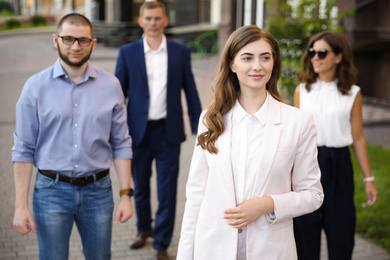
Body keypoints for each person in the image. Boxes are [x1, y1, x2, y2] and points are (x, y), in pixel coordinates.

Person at [176, 25, 324, 260]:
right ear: (232, 64)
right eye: (247, 58)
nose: (257, 66)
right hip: (213, 248)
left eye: (265, 57)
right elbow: (195, 196)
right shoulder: (209, 119)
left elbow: (313, 195)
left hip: (271, 250)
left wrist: (267, 204)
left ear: (274, 62)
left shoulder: (298, 121)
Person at [12, 13, 134, 260]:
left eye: (83, 40)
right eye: (68, 39)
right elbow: (23, 149)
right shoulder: (34, 87)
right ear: (55, 40)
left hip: (99, 191)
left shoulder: (111, 86)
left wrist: (125, 195)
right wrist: (20, 206)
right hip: (50, 192)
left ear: (93, 43)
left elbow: (121, 144)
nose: (76, 46)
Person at [114, 1, 202, 259]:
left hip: (169, 132)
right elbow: (118, 95)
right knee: (140, 187)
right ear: (140, 21)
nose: (153, 22)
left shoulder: (180, 52)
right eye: (148, 18)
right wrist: (114, 130)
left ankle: (161, 242)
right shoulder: (127, 52)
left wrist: (201, 130)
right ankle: (143, 230)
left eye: (157, 18)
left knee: (167, 191)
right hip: (137, 132)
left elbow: (191, 91)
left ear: (165, 20)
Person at [293, 31, 378, 260]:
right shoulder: (302, 91)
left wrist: (368, 179)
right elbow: (296, 136)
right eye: (312, 52)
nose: (315, 57)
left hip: (339, 164)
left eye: (322, 52)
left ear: (338, 57)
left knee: (341, 232)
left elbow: (358, 137)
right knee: (304, 231)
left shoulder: (353, 93)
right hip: (308, 164)